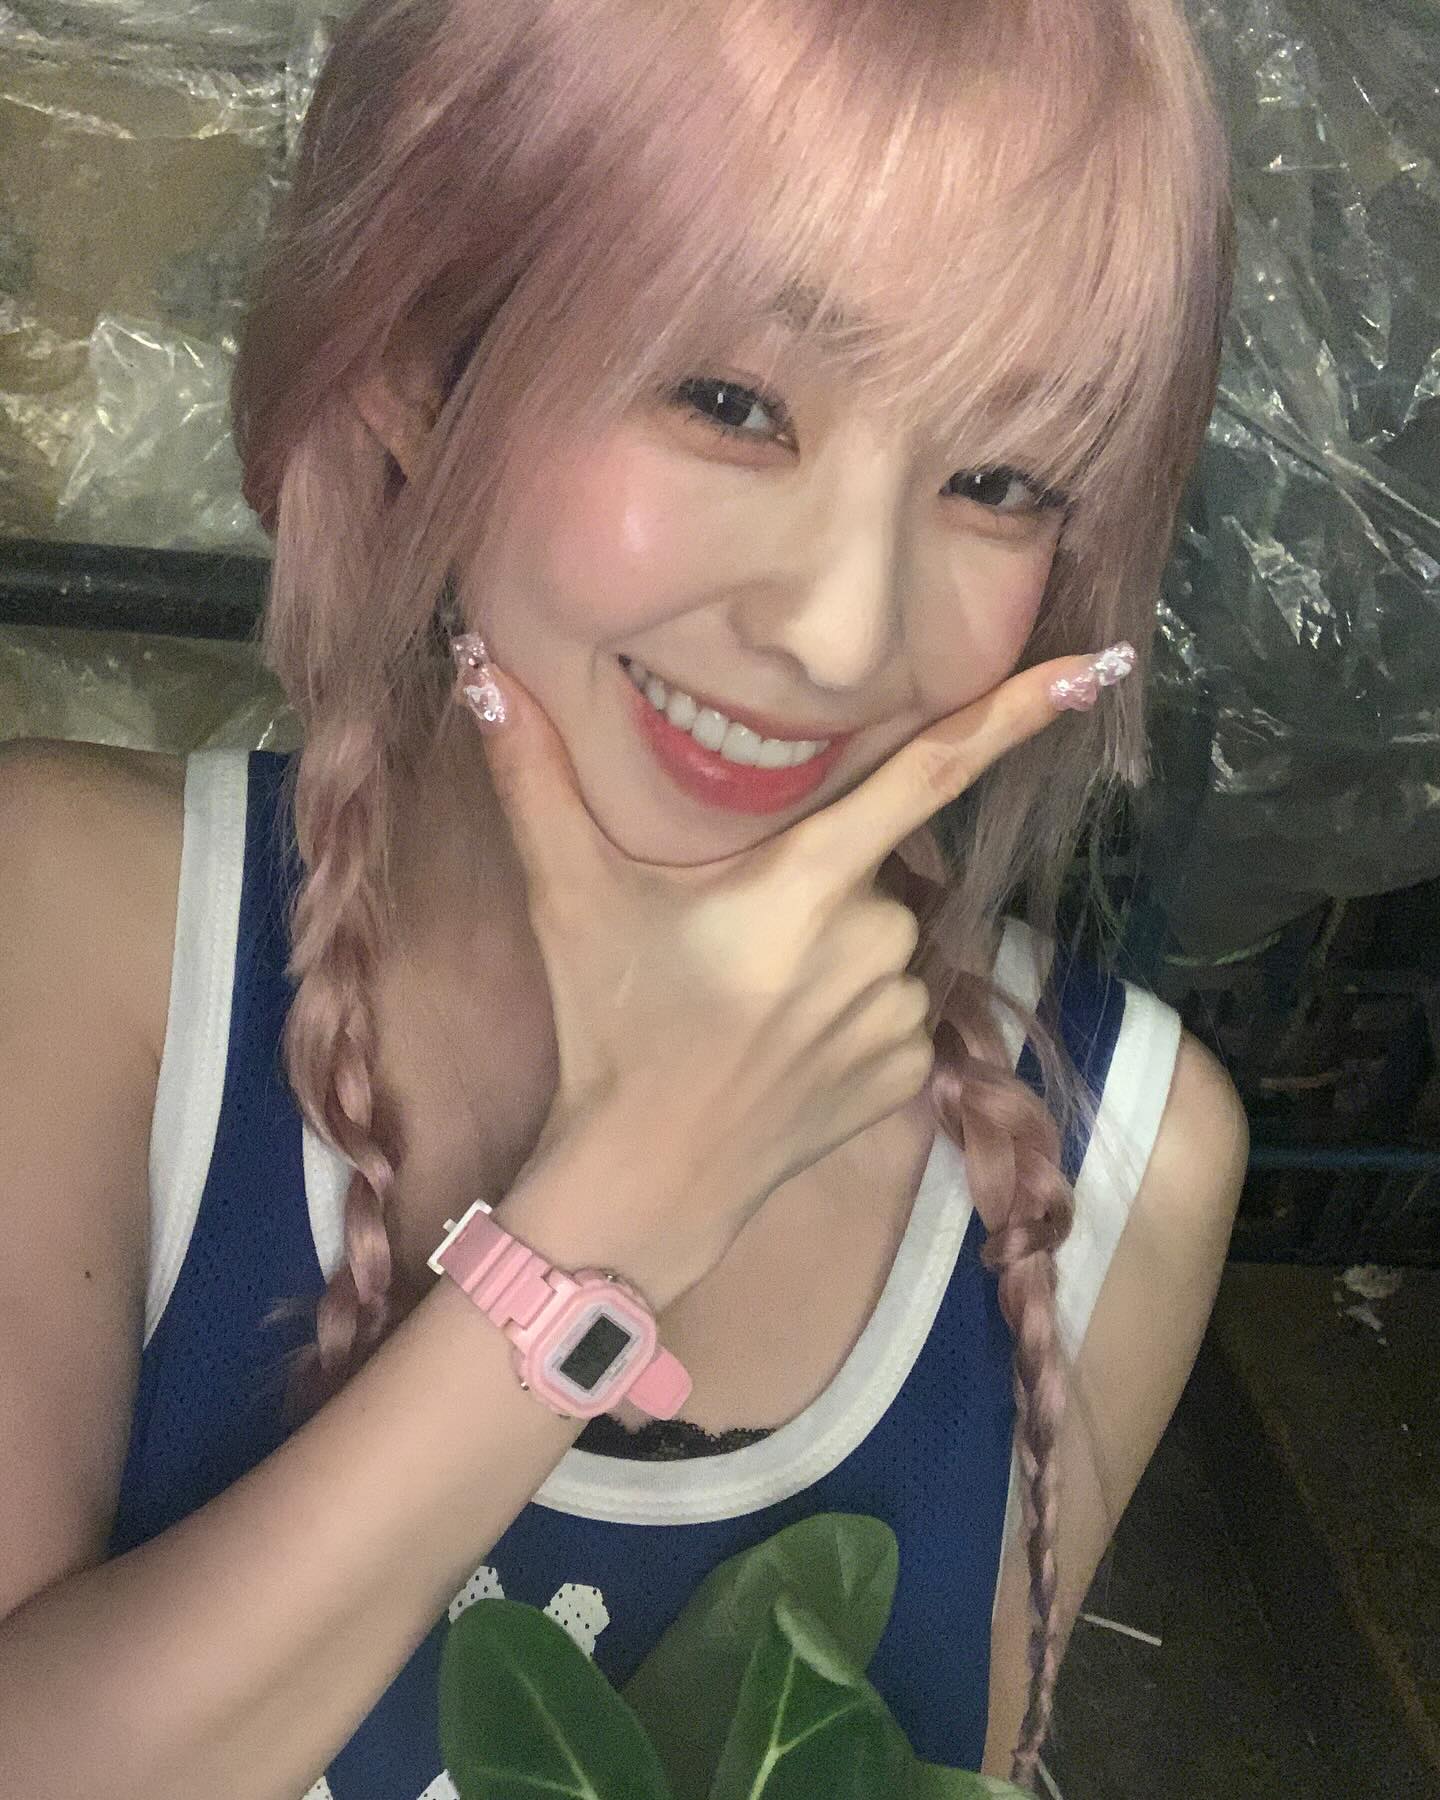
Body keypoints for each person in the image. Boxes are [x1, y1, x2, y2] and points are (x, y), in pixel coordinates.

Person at [0, 0, 1247, 1795]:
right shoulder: (73, 931)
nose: (842, 632)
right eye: (730, 403)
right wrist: (624, 1207)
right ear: (416, 365)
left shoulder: (1121, 1161)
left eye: (1000, 482)